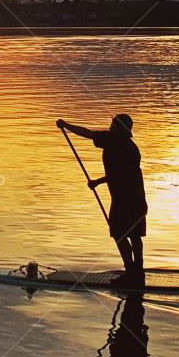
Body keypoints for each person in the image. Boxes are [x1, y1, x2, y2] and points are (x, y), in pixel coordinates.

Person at [57, 114, 147, 286]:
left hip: (124, 200)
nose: (111, 126)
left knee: (120, 234)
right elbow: (120, 174)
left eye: (114, 124)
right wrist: (98, 182)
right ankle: (138, 272)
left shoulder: (113, 141)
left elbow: (87, 134)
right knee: (134, 235)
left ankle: (131, 273)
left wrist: (66, 125)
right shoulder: (130, 147)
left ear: (120, 128)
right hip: (137, 199)